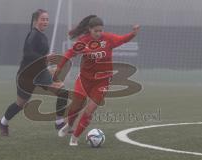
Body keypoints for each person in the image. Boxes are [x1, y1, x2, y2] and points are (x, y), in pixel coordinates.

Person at [54, 15, 140, 146]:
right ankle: (69, 125)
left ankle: (75, 138)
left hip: (102, 81)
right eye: (96, 31)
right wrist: (59, 69)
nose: (99, 33)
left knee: (89, 111)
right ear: (90, 30)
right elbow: (69, 54)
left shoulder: (109, 39)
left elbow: (123, 39)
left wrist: (133, 33)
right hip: (84, 80)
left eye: (101, 30)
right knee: (75, 107)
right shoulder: (83, 41)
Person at [0, 9, 68, 136]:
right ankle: (3, 123)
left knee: (62, 91)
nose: (45, 21)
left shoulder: (41, 35)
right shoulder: (33, 35)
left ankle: (59, 123)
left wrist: (46, 63)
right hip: (26, 75)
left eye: (47, 19)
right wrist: (45, 58)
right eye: (43, 19)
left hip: (40, 74)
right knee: (20, 103)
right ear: (36, 21)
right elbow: (28, 53)